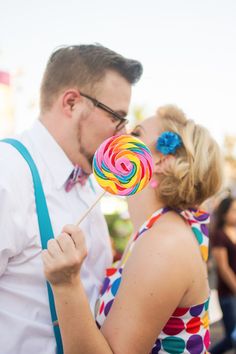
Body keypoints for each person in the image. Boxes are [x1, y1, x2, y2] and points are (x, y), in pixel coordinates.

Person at [42, 105, 223, 354]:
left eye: (136, 133)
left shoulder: (165, 243)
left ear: (163, 161)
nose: (122, 133)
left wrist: (66, 284)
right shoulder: (155, 230)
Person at [0, 44, 143, 354]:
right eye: (117, 118)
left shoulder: (89, 186)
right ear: (71, 102)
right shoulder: (7, 171)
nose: (123, 134)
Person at [209, 197, 236, 354]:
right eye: (233, 210)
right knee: (232, 338)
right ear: (224, 213)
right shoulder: (219, 235)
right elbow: (223, 267)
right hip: (228, 293)